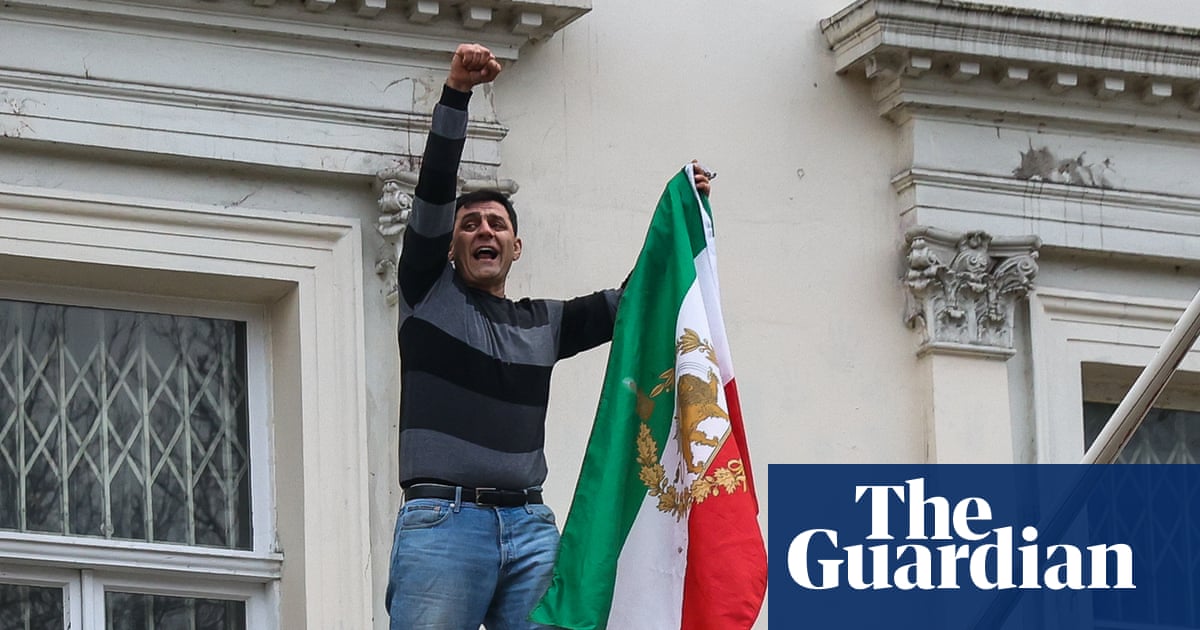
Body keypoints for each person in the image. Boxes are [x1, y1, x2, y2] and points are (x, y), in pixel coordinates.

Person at [385, 43, 712, 630]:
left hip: (530, 527)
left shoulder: (545, 322)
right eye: (470, 224)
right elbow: (433, 193)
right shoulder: (427, 297)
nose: (484, 229)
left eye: (497, 224)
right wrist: (456, 95)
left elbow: (637, 302)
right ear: (452, 246)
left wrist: (687, 218)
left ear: (516, 247)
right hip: (443, 520)